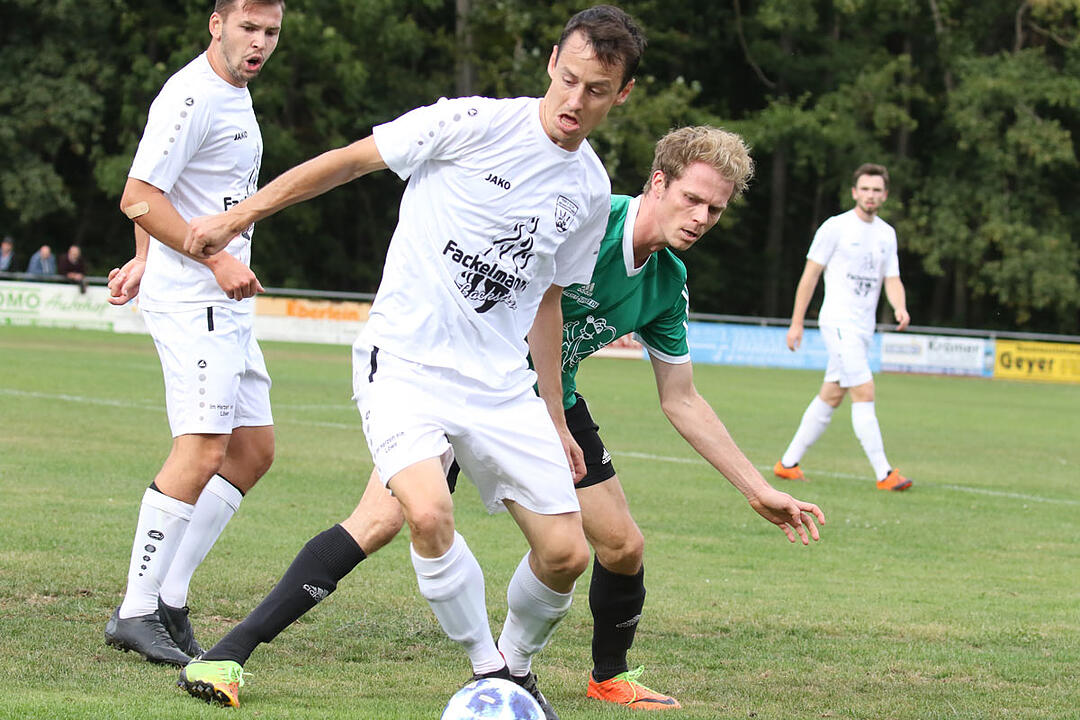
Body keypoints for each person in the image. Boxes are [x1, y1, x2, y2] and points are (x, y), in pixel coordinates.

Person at [177, 126, 825, 713]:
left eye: (716, 209)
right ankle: (229, 653)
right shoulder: (585, 219)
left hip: (549, 403)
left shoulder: (666, 282)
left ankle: (605, 676)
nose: (702, 218)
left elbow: (681, 397)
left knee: (621, 545)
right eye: (693, 199)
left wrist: (756, 488)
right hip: (464, 380)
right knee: (382, 519)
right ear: (658, 181)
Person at [177, 6, 645, 718]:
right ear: (552, 62)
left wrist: (555, 415)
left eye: (598, 91)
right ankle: (490, 672)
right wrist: (238, 217)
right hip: (404, 363)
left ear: (622, 95)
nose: (576, 104)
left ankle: (513, 669)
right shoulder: (469, 123)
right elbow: (346, 163)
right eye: (571, 81)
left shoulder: (586, 190)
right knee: (424, 512)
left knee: (567, 554)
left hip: (500, 386)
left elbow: (547, 301)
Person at [103, 0, 284, 667]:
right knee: (205, 447)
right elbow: (139, 193)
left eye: (270, 32)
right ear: (217, 24)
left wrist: (146, 258)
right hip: (197, 298)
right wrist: (210, 256)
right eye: (248, 28)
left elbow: (166, 193)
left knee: (253, 451)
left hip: (221, 300)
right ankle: (135, 610)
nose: (259, 42)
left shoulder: (233, 92)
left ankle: (169, 598)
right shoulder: (191, 96)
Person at [773, 163, 912, 491]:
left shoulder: (886, 234)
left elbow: (892, 278)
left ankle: (787, 464)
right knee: (864, 389)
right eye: (865, 189)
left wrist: (900, 306)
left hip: (863, 329)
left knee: (832, 395)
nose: (871, 195)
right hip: (837, 322)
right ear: (854, 192)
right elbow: (810, 276)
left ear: (885, 195)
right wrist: (796, 323)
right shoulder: (835, 228)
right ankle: (884, 473)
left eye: (877, 190)